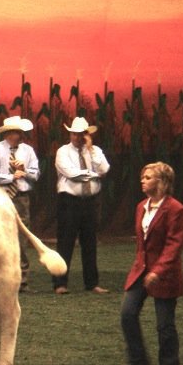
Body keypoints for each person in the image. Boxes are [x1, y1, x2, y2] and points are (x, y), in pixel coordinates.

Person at [119, 162, 183, 365]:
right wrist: (143, 268)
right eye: (142, 177)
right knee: (127, 314)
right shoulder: (141, 206)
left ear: (162, 182)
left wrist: (158, 270)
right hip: (141, 270)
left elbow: (173, 245)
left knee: (165, 326)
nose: (143, 181)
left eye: (148, 178)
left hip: (165, 274)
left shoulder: (176, 209)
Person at [52, 116, 110, 294]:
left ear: (86, 135)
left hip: (90, 201)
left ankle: (92, 283)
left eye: (81, 134)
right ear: (70, 134)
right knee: (65, 243)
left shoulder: (95, 151)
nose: (77, 137)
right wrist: (93, 175)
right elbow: (71, 174)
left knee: (90, 243)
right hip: (70, 201)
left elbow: (104, 169)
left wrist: (91, 150)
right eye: (74, 134)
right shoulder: (63, 151)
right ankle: (60, 283)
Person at [0, 115, 39, 292]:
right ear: (8, 133)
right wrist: (11, 177)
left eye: (20, 132)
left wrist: (24, 171)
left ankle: (22, 280)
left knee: (21, 238)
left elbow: (36, 174)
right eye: (16, 132)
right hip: (0, 197)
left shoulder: (27, 151)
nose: (19, 135)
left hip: (21, 197)